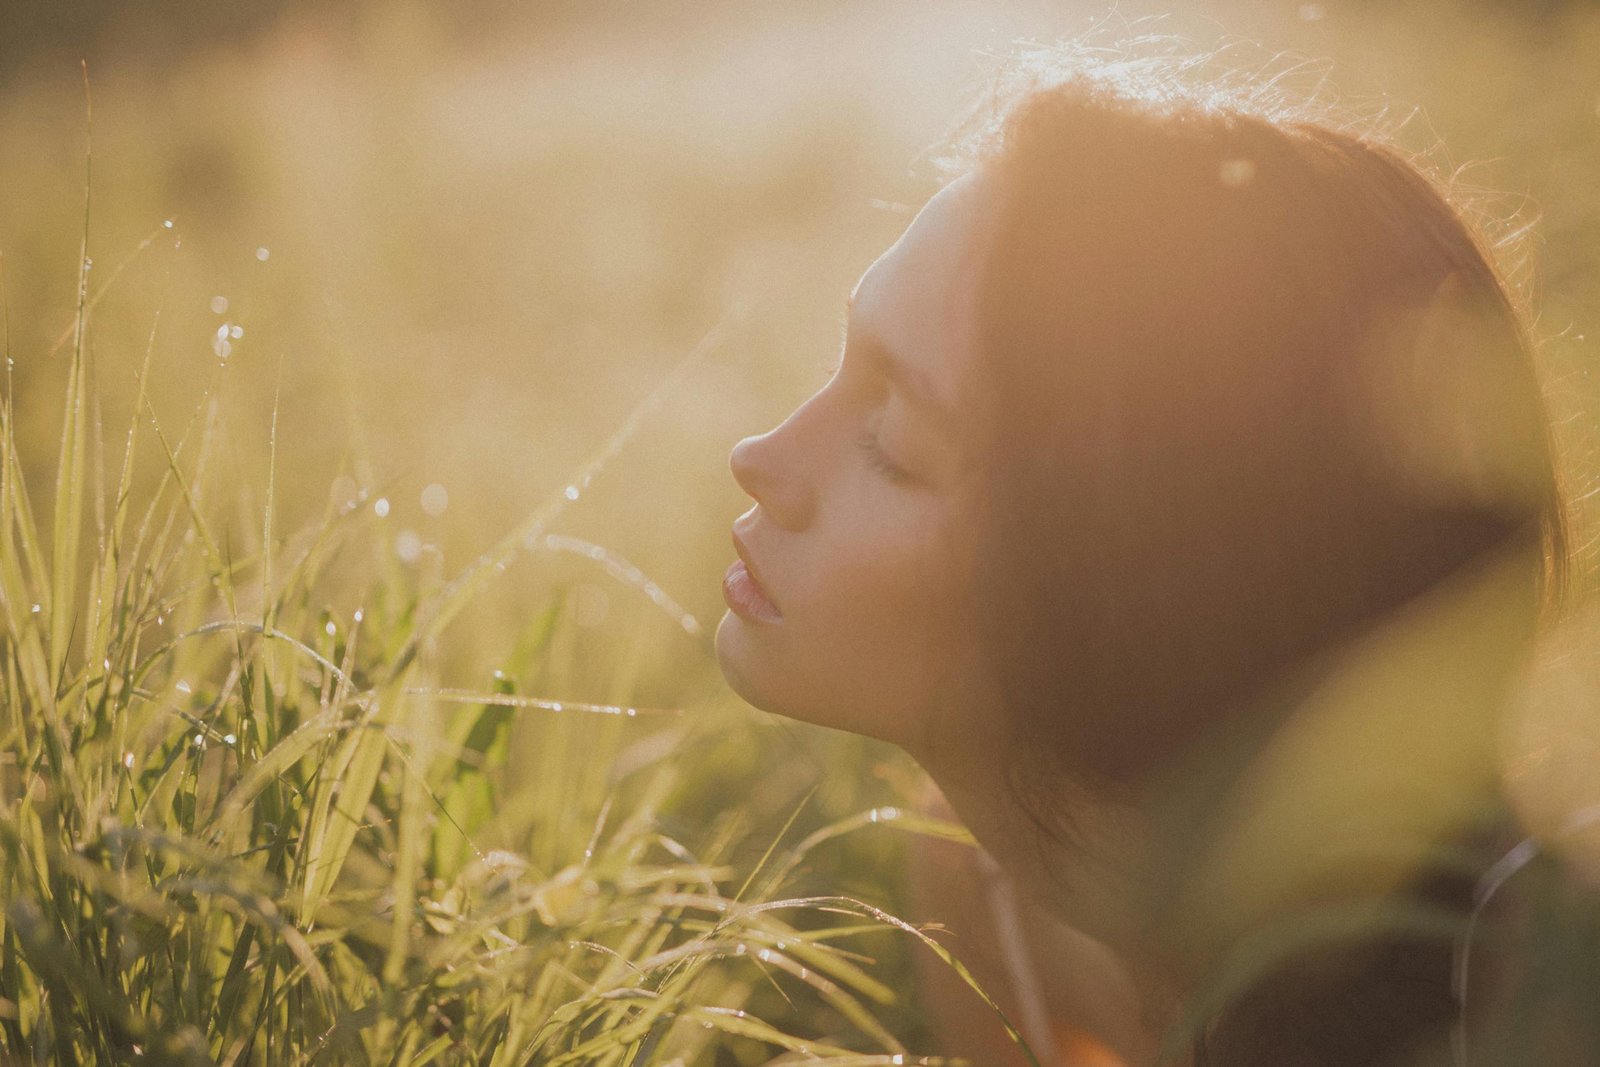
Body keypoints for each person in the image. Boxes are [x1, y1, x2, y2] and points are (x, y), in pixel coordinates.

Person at [714, 41, 1569, 1067]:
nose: (762, 458)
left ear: (1133, 581)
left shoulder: (1536, 994)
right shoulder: (989, 895)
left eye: (892, 444)